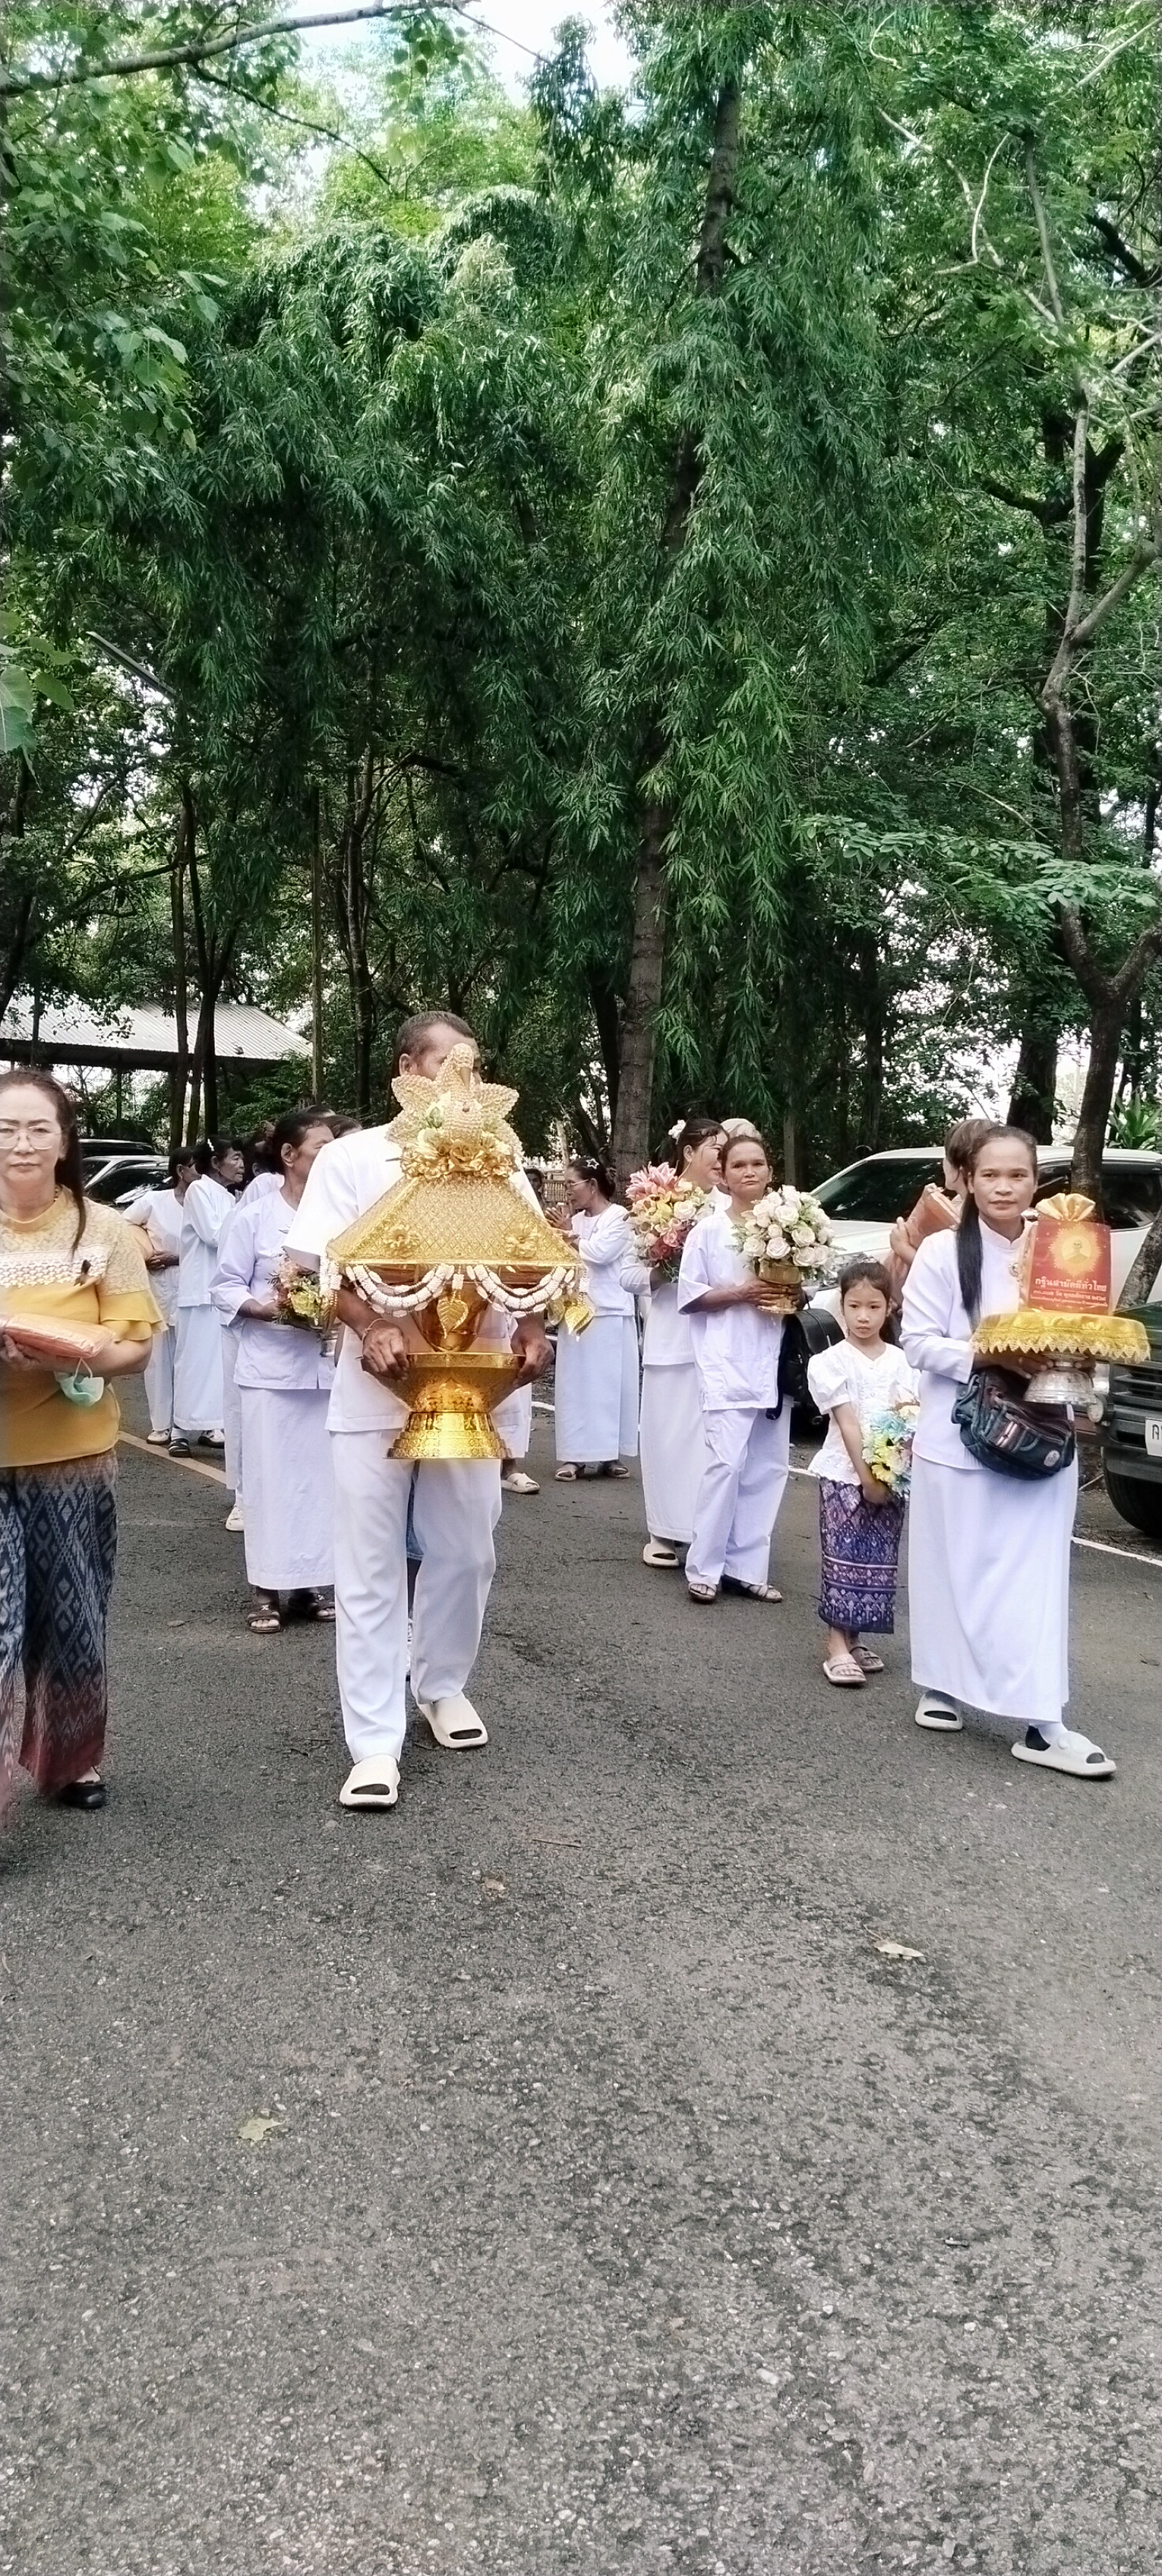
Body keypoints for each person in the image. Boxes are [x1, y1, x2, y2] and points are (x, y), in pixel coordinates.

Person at [283, 1010, 550, 1812]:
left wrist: (534, 1331)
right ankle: (372, 1741)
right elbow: (317, 1270)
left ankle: (441, 1684)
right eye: (444, 1064)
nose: (459, 1081)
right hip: (377, 1386)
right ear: (406, 1067)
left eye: (472, 1066)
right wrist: (369, 1327)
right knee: (367, 1563)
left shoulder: (500, 1154)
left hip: (475, 1383)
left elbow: (537, 1257)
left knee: (467, 1547)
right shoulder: (354, 1157)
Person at [901, 1123, 1115, 1777]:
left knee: (1034, 1581)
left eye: (1016, 1175)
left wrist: (1082, 1379)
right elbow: (916, 1340)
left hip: (1041, 1436)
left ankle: (1040, 1720)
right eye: (989, 1174)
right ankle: (942, 1683)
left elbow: (1084, 1333)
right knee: (951, 1569)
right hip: (960, 1437)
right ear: (967, 1177)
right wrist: (990, 1354)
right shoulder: (942, 1252)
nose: (1002, 1186)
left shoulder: (1063, 1253)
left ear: (1035, 1181)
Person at [0, 1070, 160, 1813]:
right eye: (5, 1128)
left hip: (72, 1459)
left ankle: (72, 1761)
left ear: (64, 1139)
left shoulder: (105, 1230)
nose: (21, 1143)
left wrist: (74, 1352)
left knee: (72, 1618)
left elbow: (137, 1348)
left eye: (37, 1128)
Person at [211, 1108, 337, 1631]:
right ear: (289, 1155)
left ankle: (312, 1583)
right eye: (320, 1147)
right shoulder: (254, 1216)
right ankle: (265, 1587)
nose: (331, 1156)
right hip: (269, 1368)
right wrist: (267, 1307)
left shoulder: (341, 1216)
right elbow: (225, 1284)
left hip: (326, 1368)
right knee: (269, 1479)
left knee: (320, 1482)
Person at [677, 1130, 791, 1605]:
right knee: (725, 1465)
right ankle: (704, 1567)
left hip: (774, 1357)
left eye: (757, 1164)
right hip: (726, 1359)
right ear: (723, 1173)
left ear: (769, 1170)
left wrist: (792, 1292)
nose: (749, 1172)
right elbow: (690, 1296)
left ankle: (747, 1568)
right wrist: (742, 1293)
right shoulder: (709, 1230)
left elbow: (801, 1287)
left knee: (768, 1467)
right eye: (739, 1164)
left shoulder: (789, 1224)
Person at [807, 1258, 919, 1686]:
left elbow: (909, 1415)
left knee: (876, 1558)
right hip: (844, 1471)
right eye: (855, 1306)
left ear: (890, 1307)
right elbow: (848, 1421)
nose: (864, 1316)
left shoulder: (903, 1361)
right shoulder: (831, 1361)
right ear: (842, 1305)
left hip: (893, 1475)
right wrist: (867, 1476)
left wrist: (892, 1471)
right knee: (844, 1554)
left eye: (874, 1307)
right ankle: (836, 1640)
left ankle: (854, 1636)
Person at [638, 1116, 726, 1567]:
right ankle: (662, 1531)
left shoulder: (730, 1208)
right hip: (671, 1335)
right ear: (689, 1152)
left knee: (710, 1442)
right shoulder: (655, 1200)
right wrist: (665, 1261)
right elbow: (628, 1275)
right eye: (715, 1147)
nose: (722, 1157)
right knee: (666, 1435)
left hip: (717, 1341)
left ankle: (706, 1531)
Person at [552, 1156, 647, 1482]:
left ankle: (609, 1455)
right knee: (576, 1386)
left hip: (610, 1312)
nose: (567, 1192)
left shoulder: (619, 1217)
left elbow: (600, 1253)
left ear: (591, 1185)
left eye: (571, 1185)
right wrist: (563, 1235)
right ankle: (574, 1457)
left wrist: (568, 1236)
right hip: (575, 1311)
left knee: (609, 1387)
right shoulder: (573, 1221)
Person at [171, 1136, 243, 1457]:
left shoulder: (228, 1196)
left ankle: (212, 1424)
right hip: (199, 1290)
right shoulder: (200, 1190)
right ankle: (178, 1429)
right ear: (216, 1163)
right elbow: (215, 1235)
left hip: (217, 1291)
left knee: (215, 1366)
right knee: (192, 1361)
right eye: (236, 1158)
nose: (241, 1165)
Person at [123, 1146, 196, 1445]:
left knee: (194, 1356)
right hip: (160, 1285)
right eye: (196, 1166)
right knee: (159, 1357)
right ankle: (161, 1424)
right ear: (181, 1171)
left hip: (194, 1286)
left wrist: (177, 1257)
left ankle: (198, 1422)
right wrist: (145, 1253)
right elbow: (123, 1225)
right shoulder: (154, 1202)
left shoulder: (210, 1202)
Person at [887, 1116, 994, 1301]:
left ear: (959, 1167)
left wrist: (903, 1248)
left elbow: (962, 1277)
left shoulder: (978, 1214)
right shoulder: (958, 1203)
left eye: (946, 1156)